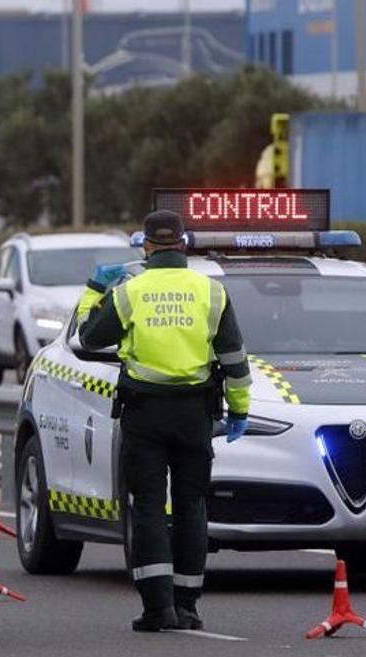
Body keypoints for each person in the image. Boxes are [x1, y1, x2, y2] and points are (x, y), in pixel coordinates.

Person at [73, 211, 251, 633]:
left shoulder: (129, 292)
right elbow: (234, 360)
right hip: (195, 413)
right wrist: (239, 409)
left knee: (149, 507)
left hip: (145, 413)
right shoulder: (211, 292)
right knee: (192, 506)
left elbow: (88, 336)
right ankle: (187, 605)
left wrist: (95, 288)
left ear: (146, 247)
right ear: (184, 244)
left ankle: (158, 608)